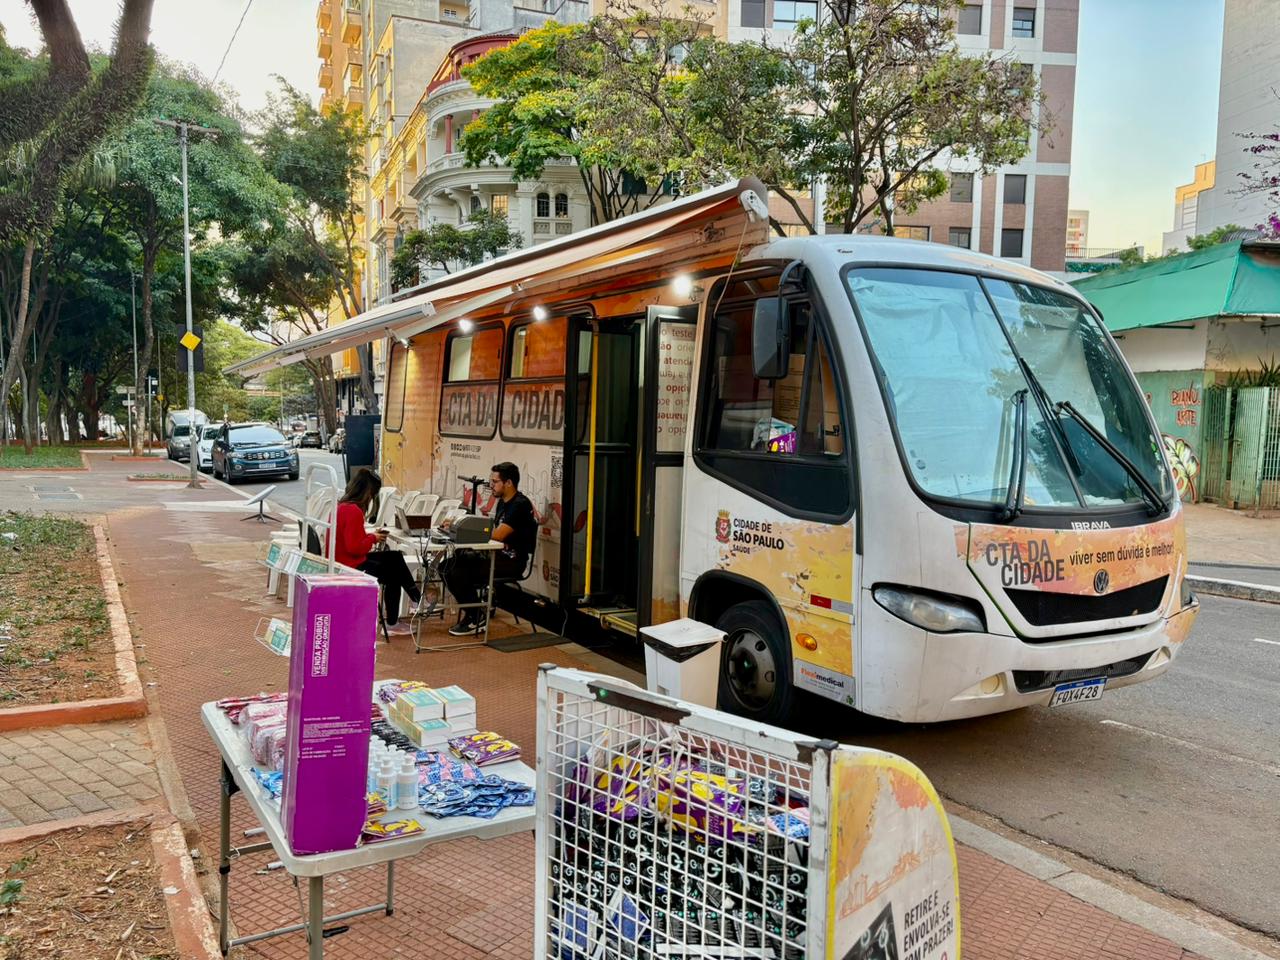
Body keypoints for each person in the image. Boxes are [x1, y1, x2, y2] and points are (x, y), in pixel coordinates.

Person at [443, 461, 536, 636]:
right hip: (495, 556)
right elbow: (490, 531)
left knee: (457, 572)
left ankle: (477, 617)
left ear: (508, 483)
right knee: (447, 565)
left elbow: (498, 535)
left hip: (511, 561)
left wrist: (463, 528)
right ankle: (475, 612)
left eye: (495, 482)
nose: (491, 485)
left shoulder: (520, 505)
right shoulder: (503, 502)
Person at [329, 468, 422, 635]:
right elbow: (355, 548)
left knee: (394, 559)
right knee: (395, 568)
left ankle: (414, 601)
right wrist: (373, 539)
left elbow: (350, 540)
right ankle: (414, 601)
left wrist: (371, 535)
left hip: (341, 562)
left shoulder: (341, 507)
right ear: (368, 492)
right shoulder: (353, 511)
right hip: (352, 566)